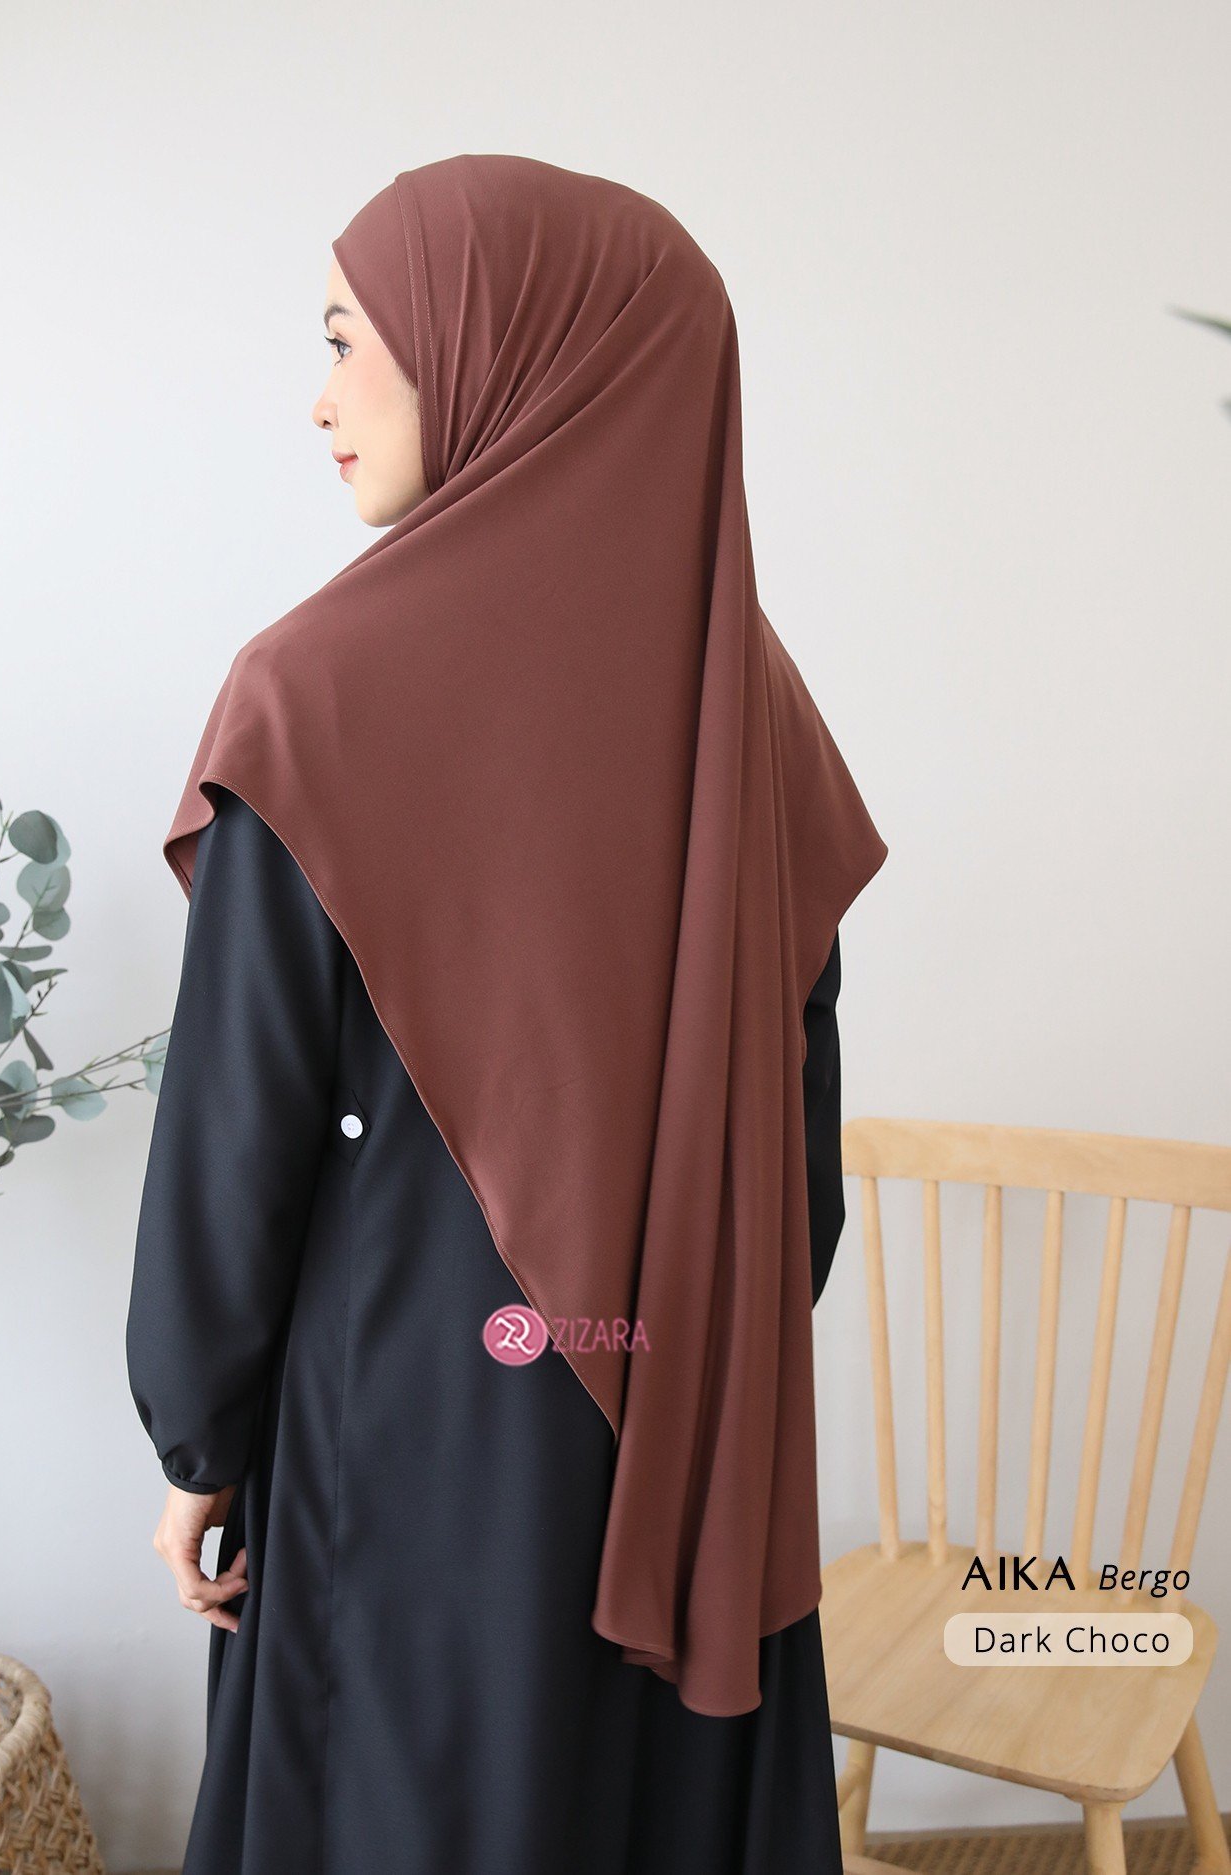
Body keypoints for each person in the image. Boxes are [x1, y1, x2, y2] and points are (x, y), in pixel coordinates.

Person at [126, 154, 885, 1874]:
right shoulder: (748, 706)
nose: (320, 399)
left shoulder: (315, 696)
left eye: (347, 339)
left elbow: (240, 1129)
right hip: (688, 1447)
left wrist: (202, 1437)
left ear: (495, 345)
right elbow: (798, 1160)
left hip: (405, 1438)